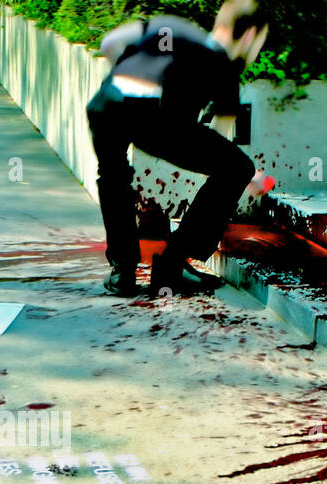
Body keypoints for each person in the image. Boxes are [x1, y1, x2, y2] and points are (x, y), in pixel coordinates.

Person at [87, 0, 269, 298]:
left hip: (108, 104)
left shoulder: (170, 26)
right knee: (237, 167)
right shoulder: (224, 66)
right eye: (259, 43)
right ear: (249, 37)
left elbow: (110, 43)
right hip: (158, 121)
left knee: (113, 176)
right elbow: (220, 146)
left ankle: (123, 272)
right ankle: (172, 265)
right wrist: (251, 177)